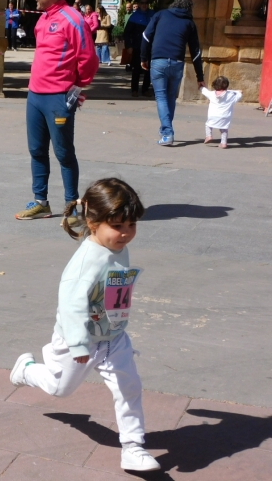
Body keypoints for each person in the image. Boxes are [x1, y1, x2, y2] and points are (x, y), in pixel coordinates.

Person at [10, 178, 161, 473]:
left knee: (129, 387)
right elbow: (71, 305)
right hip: (79, 340)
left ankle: (132, 448)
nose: (126, 233)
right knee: (59, 388)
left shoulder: (115, 245)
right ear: (93, 222)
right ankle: (27, 370)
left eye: (132, 225)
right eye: (118, 226)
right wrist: (78, 343)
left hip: (113, 337)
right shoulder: (85, 262)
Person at [15, 0, 98, 221]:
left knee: (63, 153)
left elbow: (89, 59)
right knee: (37, 151)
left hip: (58, 97)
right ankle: (41, 202)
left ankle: (71, 206)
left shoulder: (72, 19)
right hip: (35, 96)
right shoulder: (42, 20)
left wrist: (77, 87)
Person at [140, 0, 205, 146]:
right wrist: (199, 76)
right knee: (170, 97)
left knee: (161, 97)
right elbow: (195, 52)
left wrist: (143, 57)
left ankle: (167, 133)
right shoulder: (189, 23)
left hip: (158, 60)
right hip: (177, 62)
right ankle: (165, 128)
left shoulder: (160, 14)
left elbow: (145, 36)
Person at [124, 0, 154, 97]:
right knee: (136, 68)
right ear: (139, 4)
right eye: (142, 3)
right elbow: (127, 33)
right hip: (138, 46)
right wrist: (129, 46)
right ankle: (134, 89)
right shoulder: (134, 16)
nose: (144, 5)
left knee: (148, 69)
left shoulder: (153, 15)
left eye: (146, 3)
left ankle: (145, 89)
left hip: (150, 46)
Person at [201, 76, 242, 149]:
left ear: (215, 85)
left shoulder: (212, 94)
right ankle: (223, 143)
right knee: (224, 130)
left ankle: (208, 136)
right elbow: (238, 95)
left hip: (213, 116)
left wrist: (201, 87)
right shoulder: (230, 95)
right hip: (225, 116)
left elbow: (205, 91)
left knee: (208, 125)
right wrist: (239, 92)